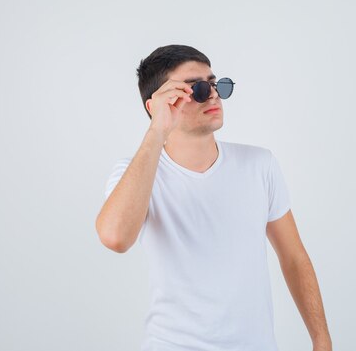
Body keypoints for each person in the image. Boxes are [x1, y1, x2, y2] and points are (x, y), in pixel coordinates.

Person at [95, 44, 332, 351]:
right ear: (157, 105)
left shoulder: (259, 165)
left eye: (215, 83)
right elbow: (115, 238)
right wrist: (157, 131)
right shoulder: (135, 173)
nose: (214, 95)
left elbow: (294, 258)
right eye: (197, 89)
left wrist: (321, 339)